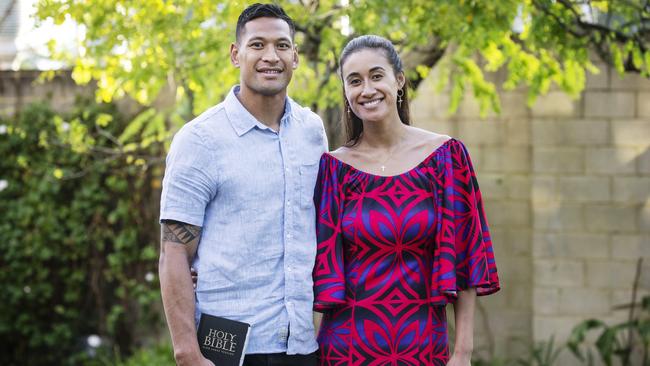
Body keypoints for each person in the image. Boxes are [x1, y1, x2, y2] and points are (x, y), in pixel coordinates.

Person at [312, 35, 500, 366]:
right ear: (345, 91)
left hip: (423, 346)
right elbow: (308, 257)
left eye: (376, 75)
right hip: (346, 348)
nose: (366, 89)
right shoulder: (333, 168)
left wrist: (463, 352)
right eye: (354, 81)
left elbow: (468, 257)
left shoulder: (446, 158)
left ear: (399, 80)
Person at [158, 4, 327, 366]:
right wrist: (187, 352)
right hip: (227, 349)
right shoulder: (199, 141)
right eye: (257, 45)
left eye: (282, 45)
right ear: (237, 54)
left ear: (295, 57)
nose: (271, 56)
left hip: (301, 345)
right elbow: (174, 253)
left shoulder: (312, 132)